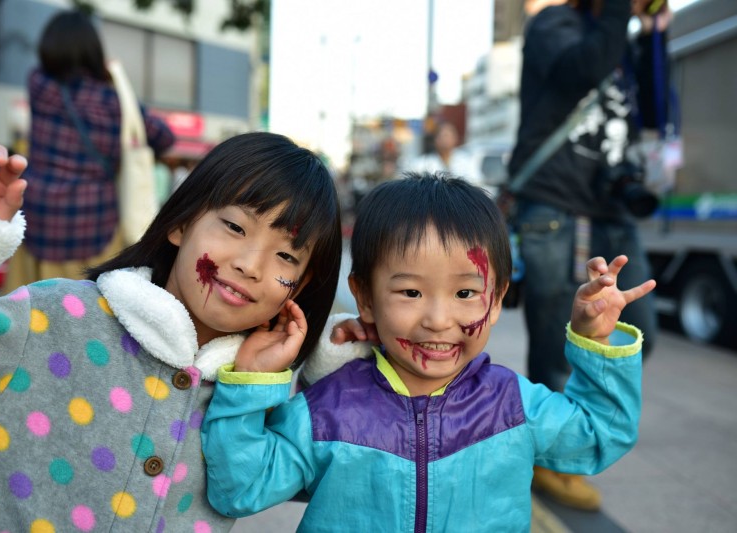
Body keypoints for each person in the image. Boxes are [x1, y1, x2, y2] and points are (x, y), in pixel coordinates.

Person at [202, 173, 655, 531]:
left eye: (465, 293)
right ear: (364, 298)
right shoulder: (328, 412)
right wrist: (249, 384)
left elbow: (600, 435)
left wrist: (595, 340)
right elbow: (240, 487)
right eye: (411, 292)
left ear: (495, 301)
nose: (438, 319)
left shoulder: (513, 407)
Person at [0, 132, 343, 532]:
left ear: (301, 286)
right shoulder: (47, 318)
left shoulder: (259, 394)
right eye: (236, 227)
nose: (251, 265)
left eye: (286, 255)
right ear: (181, 223)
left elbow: (339, 468)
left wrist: (352, 377)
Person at [507, 0, 670, 509]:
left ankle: (564, 433)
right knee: (556, 328)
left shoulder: (622, 39)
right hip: (555, 200)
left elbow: (658, 109)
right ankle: (548, 458)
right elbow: (584, 68)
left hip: (610, 208)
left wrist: (656, 33)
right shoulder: (553, 24)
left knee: (637, 329)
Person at [3, 10, 175, 292]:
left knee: (28, 304)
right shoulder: (113, 99)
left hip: (40, 221)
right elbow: (164, 137)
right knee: (86, 307)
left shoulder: (39, 85)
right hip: (93, 225)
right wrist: (117, 81)